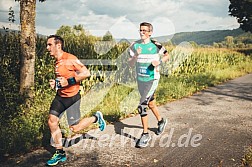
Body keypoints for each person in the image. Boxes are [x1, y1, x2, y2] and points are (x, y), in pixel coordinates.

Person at [46, 35, 106, 166]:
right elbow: (63, 78)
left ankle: (96, 118)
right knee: (52, 121)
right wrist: (55, 83)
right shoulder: (57, 60)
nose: (47, 48)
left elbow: (86, 73)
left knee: (75, 128)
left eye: (50, 45)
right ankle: (59, 152)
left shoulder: (70, 59)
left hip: (72, 98)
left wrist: (68, 81)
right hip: (60, 96)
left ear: (58, 45)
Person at [128, 22, 170, 148]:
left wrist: (159, 62)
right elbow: (130, 64)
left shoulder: (155, 44)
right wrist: (136, 55)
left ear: (150, 32)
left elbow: (167, 55)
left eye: (145, 31)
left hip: (153, 79)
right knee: (150, 103)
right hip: (141, 80)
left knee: (142, 105)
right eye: (140, 30)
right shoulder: (134, 45)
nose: (142, 32)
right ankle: (161, 121)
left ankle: (145, 134)